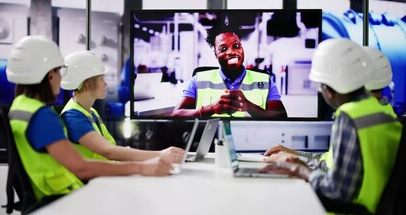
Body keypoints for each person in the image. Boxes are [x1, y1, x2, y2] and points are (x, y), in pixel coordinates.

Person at [6, 36, 173, 200]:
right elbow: (82, 168)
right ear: (50, 75)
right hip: (66, 198)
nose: (61, 77)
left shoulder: (20, 106)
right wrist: (141, 168)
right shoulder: (43, 117)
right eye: (59, 71)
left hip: (55, 194)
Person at [260, 38, 402, 213]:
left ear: (328, 88)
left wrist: (299, 169)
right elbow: (333, 164)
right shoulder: (383, 114)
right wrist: (294, 157)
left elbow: (336, 191)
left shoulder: (350, 115)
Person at [60, 50, 185, 163]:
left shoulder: (90, 111)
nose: (106, 84)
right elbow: (108, 152)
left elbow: (110, 150)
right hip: (94, 183)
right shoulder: (74, 117)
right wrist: (160, 155)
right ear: (87, 84)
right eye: (101, 79)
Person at [172, 21, 287, 118]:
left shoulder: (265, 81)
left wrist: (250, 107)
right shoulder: (198, 80)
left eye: (236, 46)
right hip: (212, 141)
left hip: (252, 140)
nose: (231, 52)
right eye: (223, 49)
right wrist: (211, 108)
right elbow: (177, 114)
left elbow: (282, 116)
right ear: (215, 54)